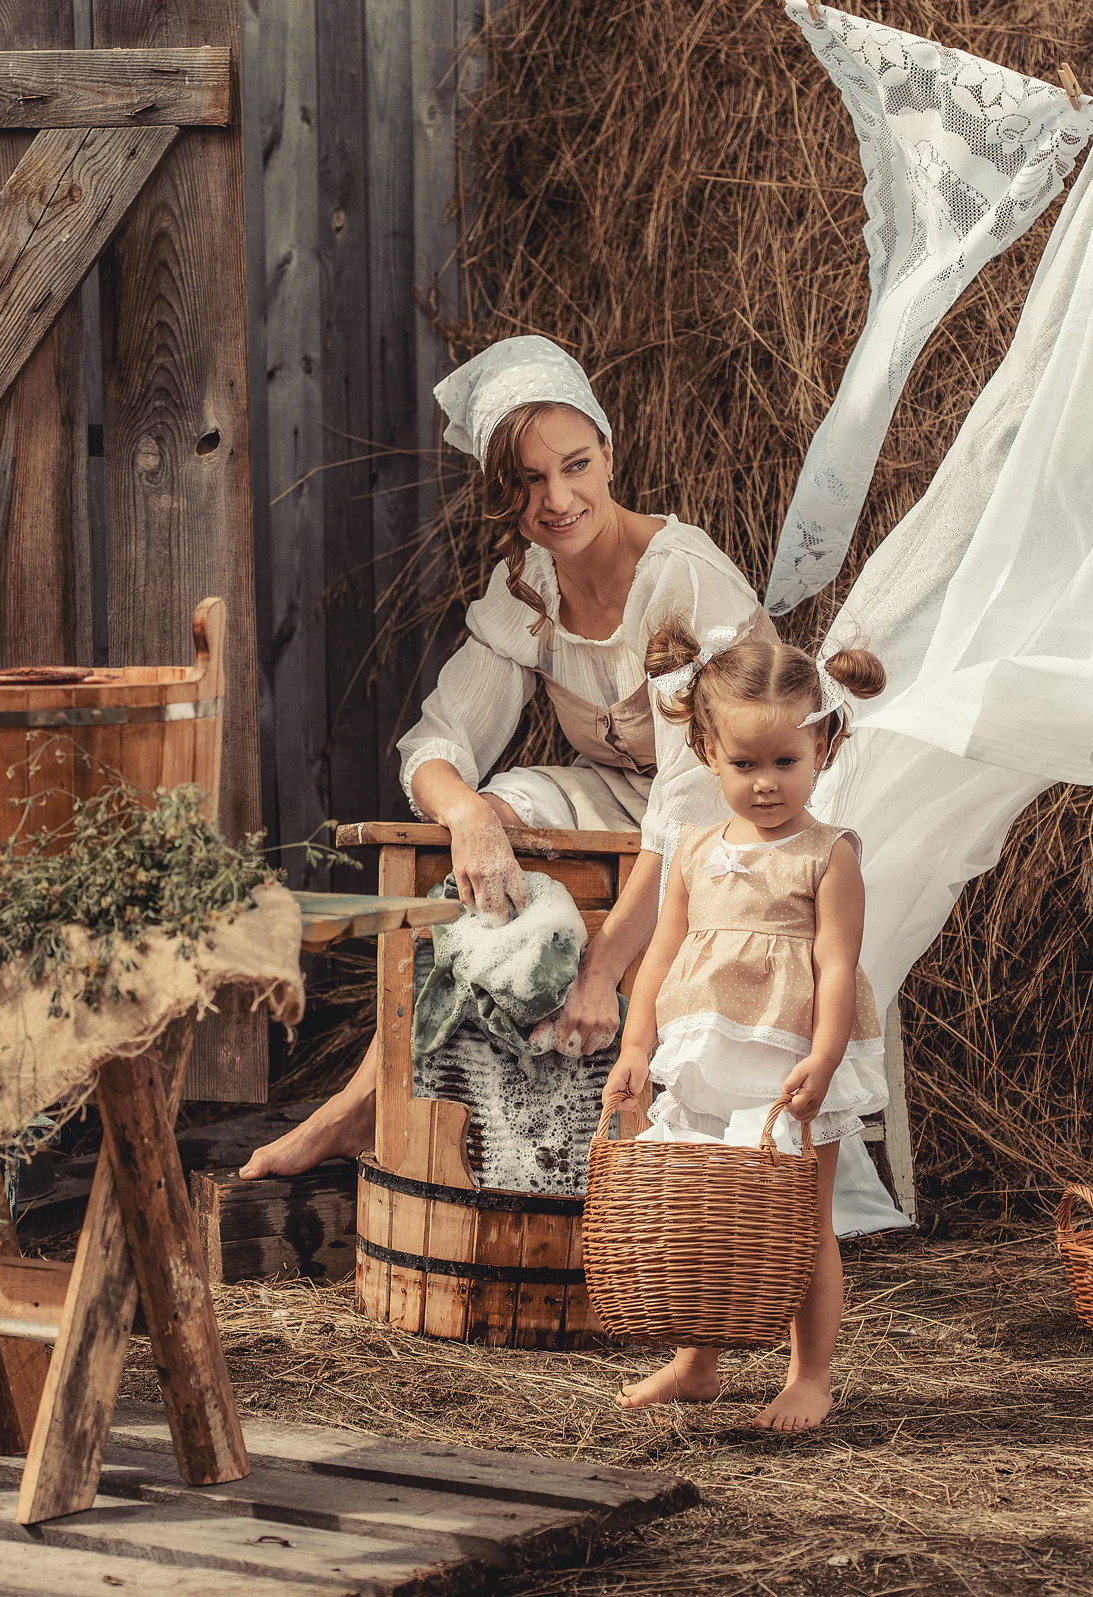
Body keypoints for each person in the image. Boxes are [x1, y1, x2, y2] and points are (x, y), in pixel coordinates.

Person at [241, 336, 765, 1179]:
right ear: (501, 491)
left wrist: (600, 970)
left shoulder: (680, 578)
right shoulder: (529, 585)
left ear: (609, 452)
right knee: (496, 813)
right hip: (625, 795)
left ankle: (366, 1105)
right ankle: (382, 1098)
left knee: (630, 813)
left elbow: (695, 800)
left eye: (575, 464)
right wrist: (469, 815)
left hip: (744, 809)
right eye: (527, 479)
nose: (557, 498)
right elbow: (436, 742)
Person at [600, 617, 888, 1431]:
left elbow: (837, 963)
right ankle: (698, 1363)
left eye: (785, 762)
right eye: (745, 764)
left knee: (804, 1220)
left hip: (791, 1054)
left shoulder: (829, 854)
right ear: (706, 752)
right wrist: (636, 1044)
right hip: (706, 1049)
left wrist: (825, 1056)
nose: (766, 783)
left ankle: (810, 1375)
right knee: (705, 1209)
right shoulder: (692, 847)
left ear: (824, 746)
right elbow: (661, 953)